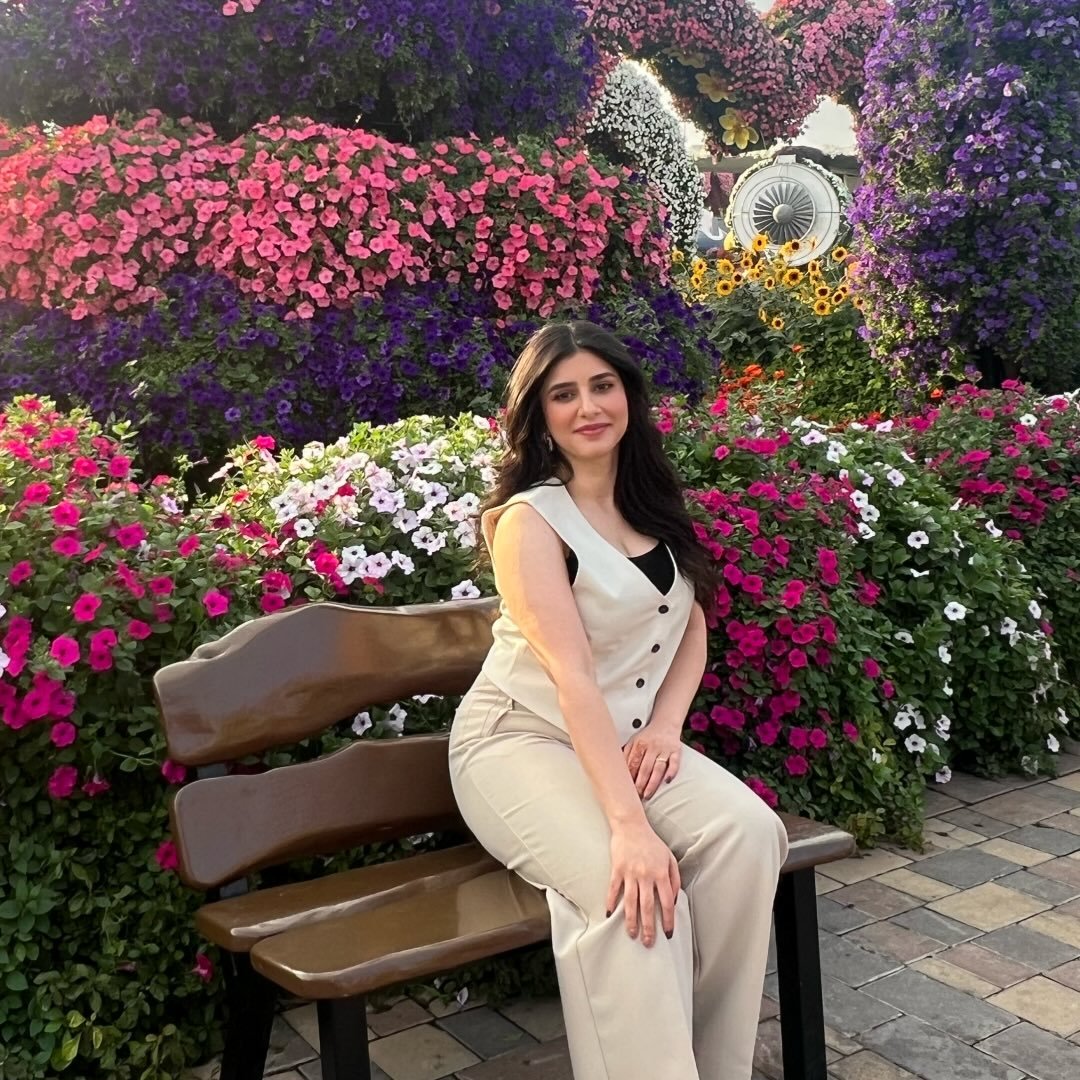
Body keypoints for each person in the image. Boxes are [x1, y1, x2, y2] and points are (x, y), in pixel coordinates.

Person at [449, 320, 788, 1080]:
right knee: (633, 888)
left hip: (625, 739)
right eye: (563, 394)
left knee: (748, 835)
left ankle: (713, 1066)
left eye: (602, 386)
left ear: (628, 395)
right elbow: (571, 678)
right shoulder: (531, 522)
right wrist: (630, 827)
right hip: (519, 743)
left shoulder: (648, 503)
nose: (588, 407)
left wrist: (667, 726)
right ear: (539, 416)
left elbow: (691, 621)